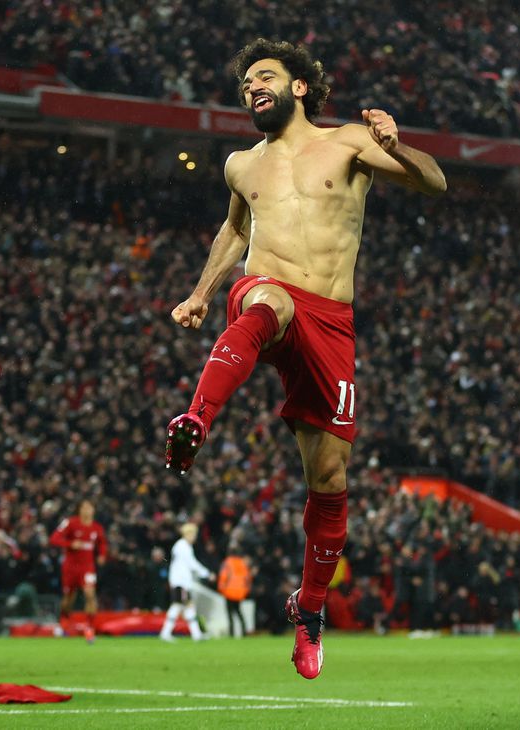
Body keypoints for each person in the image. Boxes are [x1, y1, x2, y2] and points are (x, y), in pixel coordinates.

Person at [165, 38, 446, 679]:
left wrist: (397, 144)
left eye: (263, 76)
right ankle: (196, 421)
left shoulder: (348, 142)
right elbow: (236, 230)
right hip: (270, 295)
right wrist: (203, 293)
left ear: (298, 87)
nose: (250, 88)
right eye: (244, 83)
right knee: (267, 302)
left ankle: (309, 610)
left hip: (332, 321)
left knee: (330, 478)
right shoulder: (242, 164)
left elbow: (436, 182)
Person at [49, 499, 108, 643]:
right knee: (69, 598)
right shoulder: (70, 523)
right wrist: (70, 543)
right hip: (70, 567)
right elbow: (54, 539)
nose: (88, 510)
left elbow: (102, 543)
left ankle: (89, 628)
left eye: (90, 507)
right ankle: (64, 620)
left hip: (88, 568)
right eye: (85, 507)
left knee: (90, 594)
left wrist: (102, 555)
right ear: (79, 510)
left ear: (93, 510)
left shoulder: (97, 527)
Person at [159, 523, 214, 642]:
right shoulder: (183, 546)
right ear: (188, 534)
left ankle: (196, 634)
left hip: (179, 581)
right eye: (194, 534)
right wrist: (206, 573)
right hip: (181, 582)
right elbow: (192, 563)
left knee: (187, 607)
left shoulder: (181, 546)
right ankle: (166, 632)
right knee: (178, 606)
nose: (194, 537)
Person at [218, 548, 252, 637]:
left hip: (229, 591)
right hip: (240, 592)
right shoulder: (242, 563)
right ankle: (244, 632)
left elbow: (223, 575)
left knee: (230, 614)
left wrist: (221, 589)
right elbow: (247, 578)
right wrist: (245, 590)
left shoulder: (227, 562)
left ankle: (231, 633)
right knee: (239, 612)